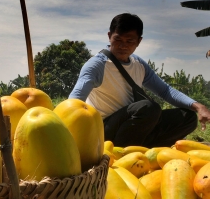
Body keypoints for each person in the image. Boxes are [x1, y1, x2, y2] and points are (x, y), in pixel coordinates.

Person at [69, 13, 210, 147]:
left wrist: (199, 107)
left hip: (132, 128)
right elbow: (75, 101)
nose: (123, 45)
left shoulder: (138, 64)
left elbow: (165, 91)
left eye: (129, 41)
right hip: (104, 131)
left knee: (188, 117)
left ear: (139, 41)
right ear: (109, 36)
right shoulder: (97, 65)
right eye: (117, 39)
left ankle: (146, 149)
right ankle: (121, 153)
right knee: (149, 108)